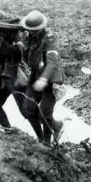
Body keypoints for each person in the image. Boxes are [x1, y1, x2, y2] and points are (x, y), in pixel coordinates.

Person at [19, 10, 63, 145]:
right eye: (30, 30)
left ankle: (47, 143)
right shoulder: (30, 37)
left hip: (50, 79)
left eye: (35, 30)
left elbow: (52, 62)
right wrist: (24, 44)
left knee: (45, 113)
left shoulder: (50, 38)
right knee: (28, 109)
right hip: (34, 76)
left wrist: (43, 79)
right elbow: (25, 59)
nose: (32, 32)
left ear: (41, 27)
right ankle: (48, 131)